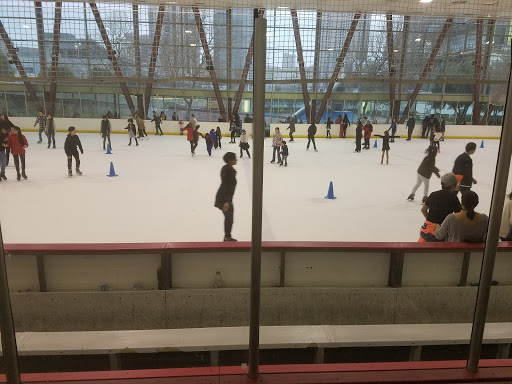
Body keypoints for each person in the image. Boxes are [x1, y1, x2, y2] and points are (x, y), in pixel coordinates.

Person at [418, 173, 461, 242]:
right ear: (453, 186)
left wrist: (431, 221)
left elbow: (423, 210)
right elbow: (458, 217)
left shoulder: (433, 195)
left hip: (426, 230)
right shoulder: (453, 198)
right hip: (440, 232)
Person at [215, 152, 238, 242]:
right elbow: (226, 186)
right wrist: (226, 202)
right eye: (235, 158)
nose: (237, 160)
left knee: (229, 218)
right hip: (224, 198)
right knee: (229, 217)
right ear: (230, 160)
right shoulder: (228, 171)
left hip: (225, 198)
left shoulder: (228, 169)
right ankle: (227, 237)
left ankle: (227, 236)